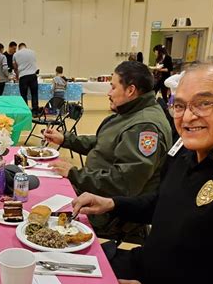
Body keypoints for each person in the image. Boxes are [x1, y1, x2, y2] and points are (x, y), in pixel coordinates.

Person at [71, 63, 213, 284]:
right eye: (179, 106)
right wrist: (114, 203)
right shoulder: (184, 152)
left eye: (204, 103)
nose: (188, 117)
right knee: (66, 275)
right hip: (146, 267)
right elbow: (164, 203)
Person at [44, 61, 173, 243]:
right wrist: (66, 139)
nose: (109, 93)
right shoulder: (131, 112)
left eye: (113, 87)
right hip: (95, 197)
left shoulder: (144, 127)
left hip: (111, 221)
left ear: (130, 90)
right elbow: (104, 143)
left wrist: (75, 174)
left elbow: (125, 182)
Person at [13, 42, 39, 116]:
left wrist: (17, 75)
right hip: (33, 75)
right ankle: (35, 112)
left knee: (24, 95)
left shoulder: (16, 54)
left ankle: (25, 111)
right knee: (34, 94)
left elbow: (15, 67)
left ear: (19, 48)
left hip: (23, 76)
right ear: (25, 46)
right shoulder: (32, 52)